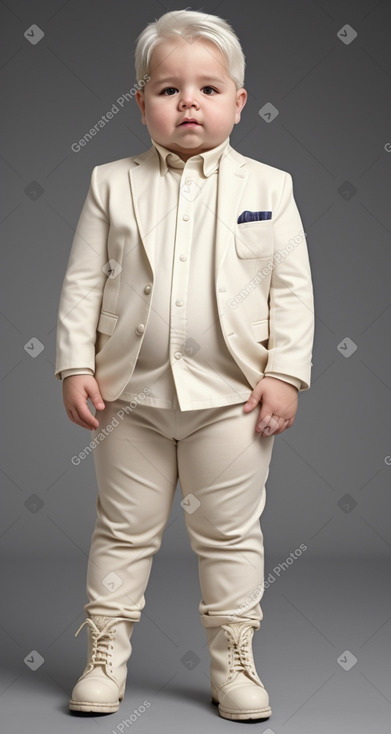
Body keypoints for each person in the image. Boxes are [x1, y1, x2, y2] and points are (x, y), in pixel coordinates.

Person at [55, 8, 314, 722]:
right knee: (122, 530)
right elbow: (83, 282)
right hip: (128, 399)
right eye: (167, 90)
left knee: (229, 535)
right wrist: (75, 366)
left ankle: (233, 660)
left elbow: (291, 290)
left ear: (239, 100)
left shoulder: (270, 188)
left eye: (206, 88)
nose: (187, 102)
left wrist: (284, 374)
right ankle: (105, 656)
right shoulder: (112, 183)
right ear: (140, 106)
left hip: (232, 400)